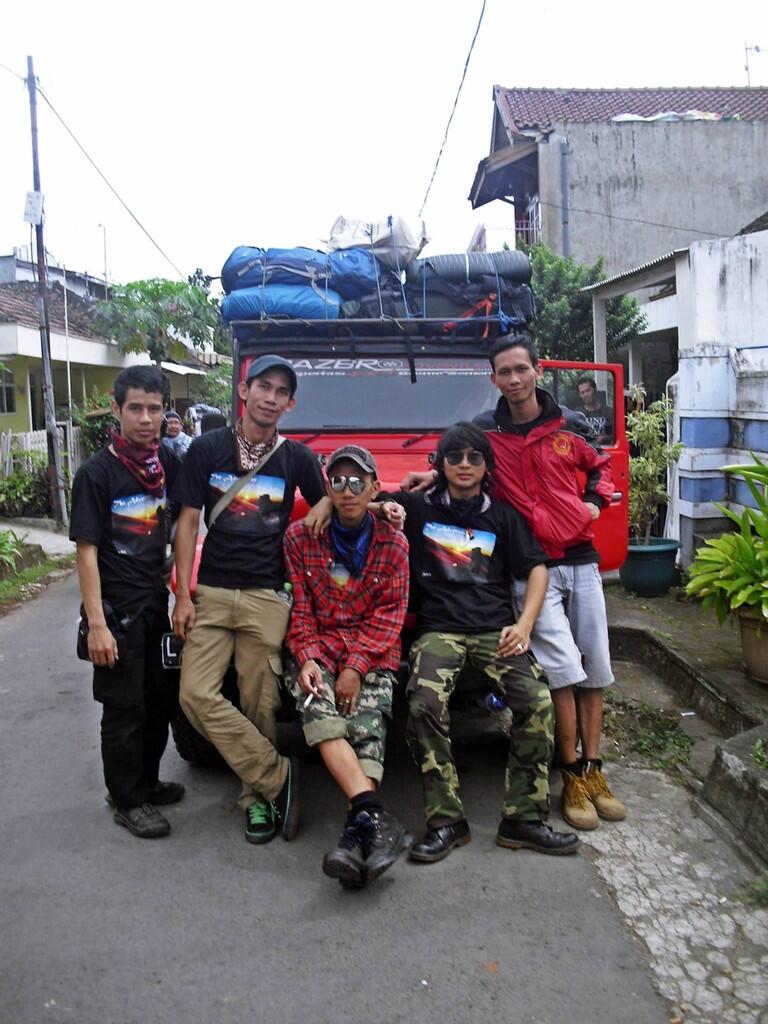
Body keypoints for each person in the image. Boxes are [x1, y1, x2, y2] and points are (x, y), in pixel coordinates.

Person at [402, 335, 627, 832]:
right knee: (562, 672)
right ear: (494, 379)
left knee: (596, 669)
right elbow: (462, 458)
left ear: (538, 370)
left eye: (521, 369)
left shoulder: (571, 423)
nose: (514, 379)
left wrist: (596, 502)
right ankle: (570, 775)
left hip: (580, 556)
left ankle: (594, 770)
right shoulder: (486, 431)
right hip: (531, 565)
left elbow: (601, 467)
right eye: (504, 372)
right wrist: (427, 473)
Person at [380, 423, 579, 861]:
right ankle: (446, 821)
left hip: (496, 631)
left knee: (537, 703)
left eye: (474, 457)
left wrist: (524, 625)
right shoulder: (418, 508)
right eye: (454, 458)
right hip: (439, 631)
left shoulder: (503, 516)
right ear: (441, 464)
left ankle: (523, 819)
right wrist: (385, 509)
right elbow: (367, 503)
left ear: (486, 465)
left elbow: (538, 569)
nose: (464, 466)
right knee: (423, 706)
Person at [171, 354, 326, 844]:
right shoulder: (206, 449)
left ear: (290, 403)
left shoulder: (296, 457)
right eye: (264, 387)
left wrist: (315, 516)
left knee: (260, 700)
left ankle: (257, 800)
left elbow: (327, 497)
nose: (271, 398)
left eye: (282, 392)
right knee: (194, 694)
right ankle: (279, 774)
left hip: (266, 593)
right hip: (211, 591)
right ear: (244, 391)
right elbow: (188, 521)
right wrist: (181, 593)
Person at [283, 445, 411, 887]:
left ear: (375, 487)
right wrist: (306, 659)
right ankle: (374, 825)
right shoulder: (300, 538)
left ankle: (355, 837)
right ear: (327, 488)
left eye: (358, 481)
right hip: (318, 646)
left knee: (366, 722)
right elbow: (299, 610)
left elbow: (390, 615)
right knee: (320, 712)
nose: (348, 489)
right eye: (337, 481)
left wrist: (356, 666)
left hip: (371, 650)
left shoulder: (393, 542)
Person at [70, 365, 183, 839]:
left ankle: (148, 781)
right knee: (123, 709)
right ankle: (126, 798)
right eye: (135, 407)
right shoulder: (97, 474)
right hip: (117, 614)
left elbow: (186, 525)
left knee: (160, 703)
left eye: (154, 409)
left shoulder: (169, 466)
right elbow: (86, 552)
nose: (145, 418)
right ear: (116, 410)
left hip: (158, 608)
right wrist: (97, 623)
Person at [576, 377, 612, 444]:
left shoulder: (608, 412)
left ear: (595, 390)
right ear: (580, 395)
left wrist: (606, 438)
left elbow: (616, 434)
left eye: (588, 391)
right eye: (582, 392)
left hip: (605, 449)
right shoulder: (577, 414)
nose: (585, 394)